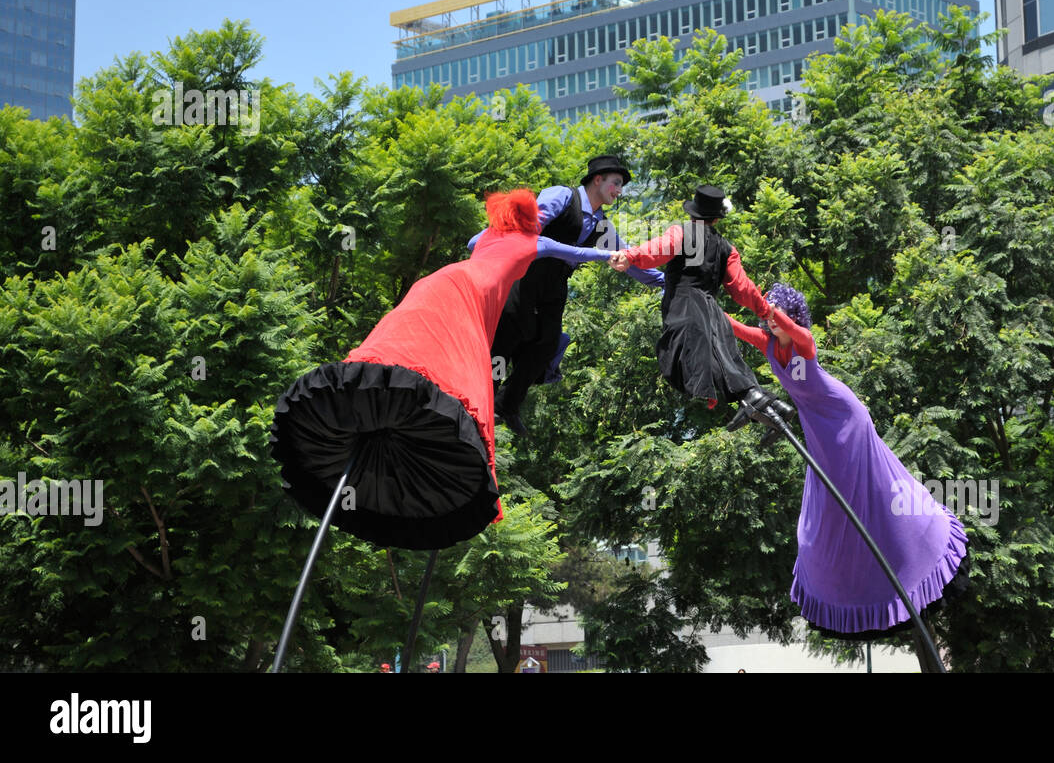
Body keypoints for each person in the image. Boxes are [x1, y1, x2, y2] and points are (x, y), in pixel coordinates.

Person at [271, 190, 617, 551]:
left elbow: (472, 240)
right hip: (471, 297)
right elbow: (579, 253)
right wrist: (621, 256)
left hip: (445, 281)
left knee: (438, 348)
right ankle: (470, 400)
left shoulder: (488, 236)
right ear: (531, 220)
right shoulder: (536, 242)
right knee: (470, 365)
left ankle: (404, 383)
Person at [726, 284, 969, 640]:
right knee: (827, 509)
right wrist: (691, 299)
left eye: (777, 310)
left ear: (792, 315)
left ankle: (915, 540)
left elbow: (788, 328)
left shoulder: (802, 340)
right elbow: (732, 326)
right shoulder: (768, 343)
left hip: (844, 419)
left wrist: (766, 308)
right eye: (767, 309)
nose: (768, 316)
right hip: (817, 427)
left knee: (871, 491)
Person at [489, 155, 664, 436]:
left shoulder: (602, 226)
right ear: (598, 179)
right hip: (526, 274)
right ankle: (484, 396)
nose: (619, 191)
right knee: (505, 340)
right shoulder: (563, 196)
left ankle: (506, 403)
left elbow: (628, 261)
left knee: (546, 344)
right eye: (616, 183)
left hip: (555, 286)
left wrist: (669, 284)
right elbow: (529, 227)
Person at [613, 184, 788, 422]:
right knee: (724, 358)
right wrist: (764, 310)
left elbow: (659, 249)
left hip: (685, 308)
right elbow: (742, 288)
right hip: (711, 311)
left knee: (678, 359)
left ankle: (753, 400)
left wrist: (631, 255)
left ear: (693, 212)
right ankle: (764, 401)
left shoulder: (682, 232)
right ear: (717, 218)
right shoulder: (727, 248)